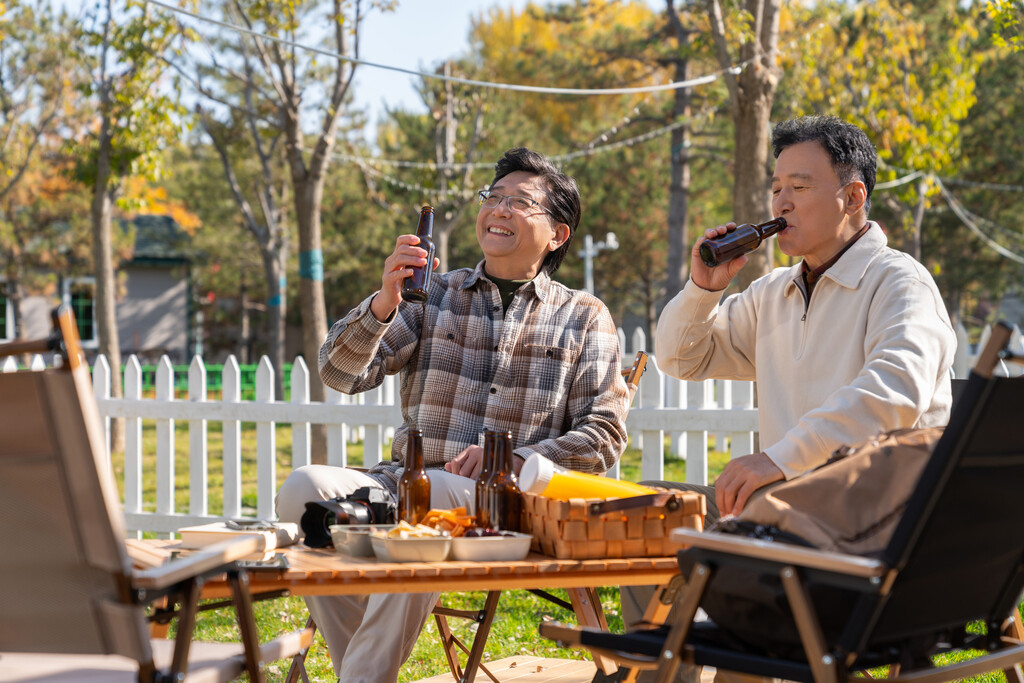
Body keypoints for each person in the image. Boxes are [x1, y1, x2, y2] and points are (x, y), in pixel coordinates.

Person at [619, 115, 956, 683]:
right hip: (780, 508)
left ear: (853, 197)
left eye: (799, 187)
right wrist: (705, 287)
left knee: (748, 566)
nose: (781, 202)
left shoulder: (900, 284)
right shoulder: (772, 292)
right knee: (645, 513)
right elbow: (682, 359)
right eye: (776, 189)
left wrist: (780, 459)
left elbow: (893, 394)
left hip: (873, 521)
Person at [275, 147, 630, 683]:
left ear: (558, 234)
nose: (501, 209)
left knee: (430, 500)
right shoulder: (432, 295)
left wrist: (511, 458)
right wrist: (382, 303)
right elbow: (340, 375)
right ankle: (363, 675)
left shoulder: (584, 317)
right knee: (305, 487)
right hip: (405, 490)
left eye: (522, 202)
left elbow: (604, 436)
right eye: (495, 197)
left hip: (508, 506)